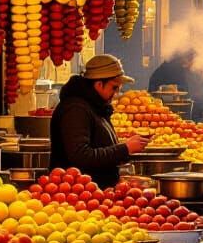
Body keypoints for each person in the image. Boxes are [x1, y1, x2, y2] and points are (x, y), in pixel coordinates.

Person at [49, 55, 148, 189]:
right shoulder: (76, 110)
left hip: (98, 193)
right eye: (114, 88)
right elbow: (81, 156)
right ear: (99, 84)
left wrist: (126, 151)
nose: (117, 93)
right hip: (78, 194)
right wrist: (125, 148)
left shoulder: (96, 106)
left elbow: (100, 147)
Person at [148, 50, 203, 120]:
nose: (191, 64)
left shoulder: (194, 70)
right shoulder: (169, 67)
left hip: (189, 108)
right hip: (166, 110)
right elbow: (153, 86)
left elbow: (202, 90)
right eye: (189, 59)